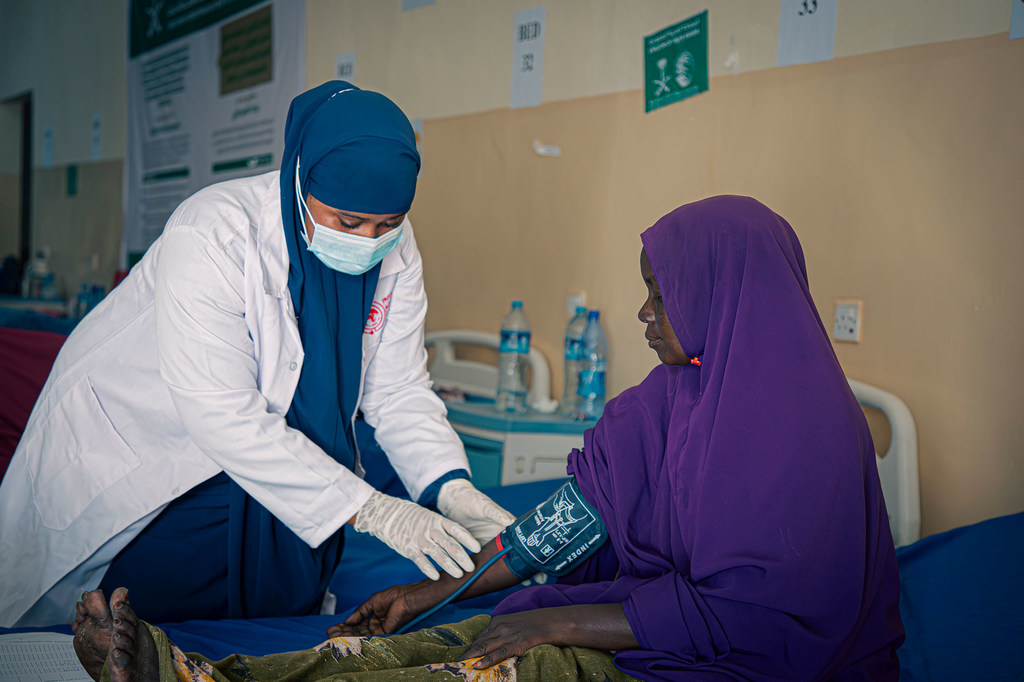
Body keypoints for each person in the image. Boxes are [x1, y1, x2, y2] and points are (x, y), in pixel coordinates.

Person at [71, 196, 904, 681]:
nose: (645, 313)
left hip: (732, 665)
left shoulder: (813, 440)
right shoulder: (664, 402)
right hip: (646, 628)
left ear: (726, 297)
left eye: (661, 294)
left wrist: (565, 627)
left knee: (510, 665)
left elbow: (766, 620)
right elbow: (575, 519)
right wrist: (443, 590)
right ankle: (204, 673)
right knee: (448, 635)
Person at [0, 81, 515, 628]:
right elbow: (221, 413)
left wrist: (449, 485)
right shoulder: (213, 233)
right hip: (162, 461)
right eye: (348, 222)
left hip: (274, 475)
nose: (369, 240)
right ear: (302, 177)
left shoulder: (395, 247)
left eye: (385, 225)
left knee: (266, 626)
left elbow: (397, 388)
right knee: (146, 626)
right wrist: (372, 508)